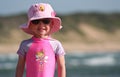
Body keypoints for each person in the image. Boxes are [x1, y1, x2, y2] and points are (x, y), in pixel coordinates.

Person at [15, 3, 66, 77]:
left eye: (46, 21)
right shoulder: (25, 45)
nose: (41, 25)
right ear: (30, 25)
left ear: (51, 24)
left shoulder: (56, 45)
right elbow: (20, 67)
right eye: (36, 21)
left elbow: (61, 66)